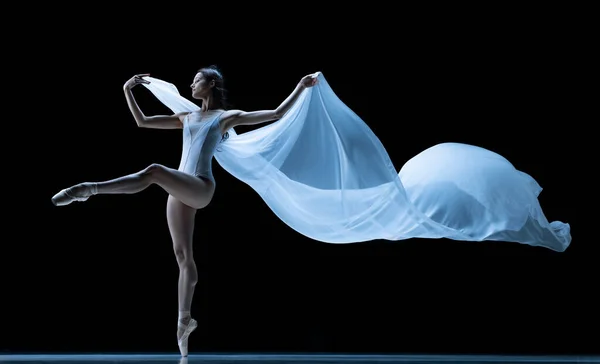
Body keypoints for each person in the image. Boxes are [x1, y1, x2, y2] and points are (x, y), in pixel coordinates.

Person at [51, 65, 320, 356]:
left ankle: (88, 189)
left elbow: (276, 113)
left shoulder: (225, 118)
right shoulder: (187, 117)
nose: (191, 86)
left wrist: (301, 86)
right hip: (180, 188)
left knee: (153, 171)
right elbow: (142, 122)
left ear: (212, 83)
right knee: (183, 257)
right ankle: (184, 322)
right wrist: (127, 90)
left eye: (196, 81)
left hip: (201, 186)